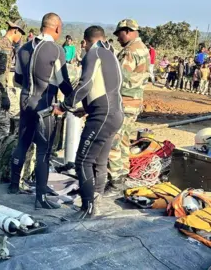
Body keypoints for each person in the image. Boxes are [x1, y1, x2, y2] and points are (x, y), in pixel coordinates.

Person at [53, 26, 124, 219]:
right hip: (115, 112)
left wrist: (65, 105)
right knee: (100, 161)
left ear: (85, 42)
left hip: (103, 115)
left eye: (82, 45)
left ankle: (87, 207)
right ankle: (96, 198)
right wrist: (86, 108)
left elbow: (85, 85)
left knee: (83, 161)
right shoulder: (111, 54)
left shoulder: (93, 54)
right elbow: (108, 88)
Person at [9, 13, 74, 209]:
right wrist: (73, 101)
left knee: (23, 141)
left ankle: (13, 186)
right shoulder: (55, 50)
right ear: (56, 28)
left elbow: (18, 79)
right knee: (44, 151)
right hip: (45, 104)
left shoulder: (24, 48)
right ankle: (41, 198)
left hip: (26, 100)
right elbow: (63, 82)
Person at [107, 19, 150, 196]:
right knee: (124, 140)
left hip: (124, 102)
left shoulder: (130, 52)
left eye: (119, 34)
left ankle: (116, 179)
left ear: (128, 31)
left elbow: (119, 79)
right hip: (135, 102)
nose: (117, 38)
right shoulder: (144, 49)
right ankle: (122, 174)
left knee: (113, 141)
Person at [0, 20, 26, 169]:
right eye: (20, 34)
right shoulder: (6, 46)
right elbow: (1, 73)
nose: (20, 37)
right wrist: (4, 95)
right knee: (3, 125)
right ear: (15, 30)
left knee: (5, 121)